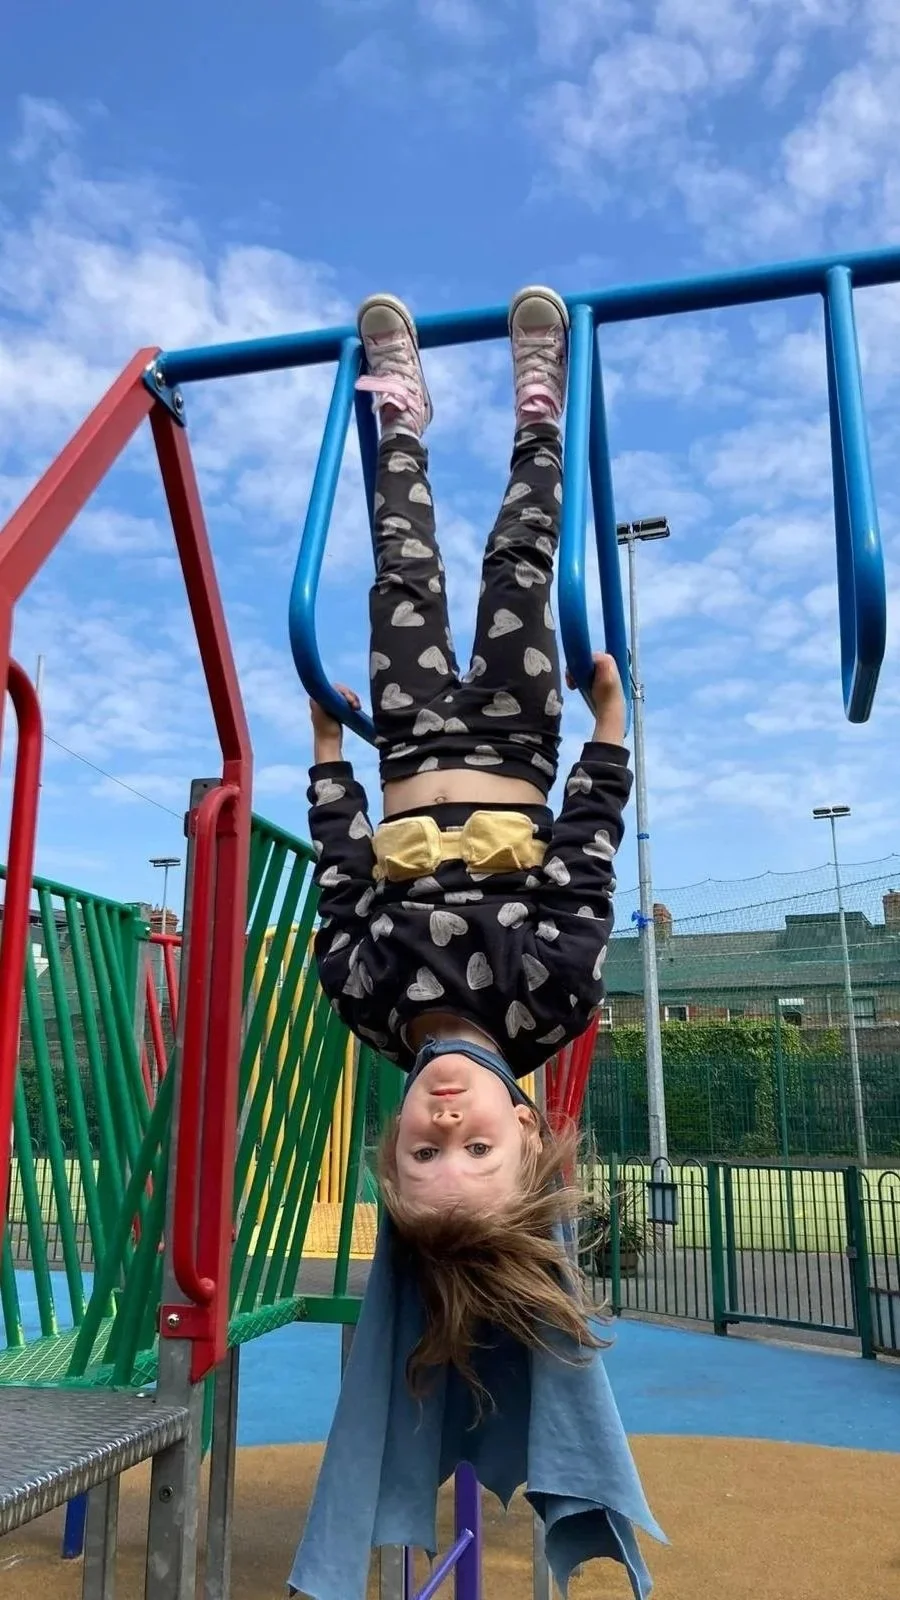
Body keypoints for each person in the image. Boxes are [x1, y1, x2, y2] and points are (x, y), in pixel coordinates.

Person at [307, 286, 632, 1392]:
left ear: (389, 1140)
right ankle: (539, 405)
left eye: (422, 1151)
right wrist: (608, 736)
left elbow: (343, 880)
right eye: (475, 1150)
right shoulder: (549, 997)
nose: (447, 1125)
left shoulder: (366, 998)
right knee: (516, 563)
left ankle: (400, 413)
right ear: (530, 1134)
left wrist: (325, 760)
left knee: (401, 570)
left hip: (402, 744)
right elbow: (586, 864)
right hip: (514, 735)